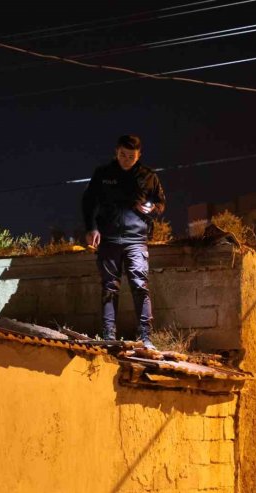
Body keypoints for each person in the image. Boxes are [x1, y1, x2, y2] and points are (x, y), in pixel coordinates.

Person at [82, 135, 166, 349]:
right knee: (110, 287)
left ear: (139, 155)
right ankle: (109, 336)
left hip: (136, 240)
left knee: (140, 286)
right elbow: (89, 201)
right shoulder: (103, 174)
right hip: (109, 238)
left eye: (131, 156)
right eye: (123, 155)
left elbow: (160, 203)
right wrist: (91, 228)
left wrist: (151, 207)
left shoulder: (149, 177)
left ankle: (145, 338)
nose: (126, 159)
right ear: (116, 152)